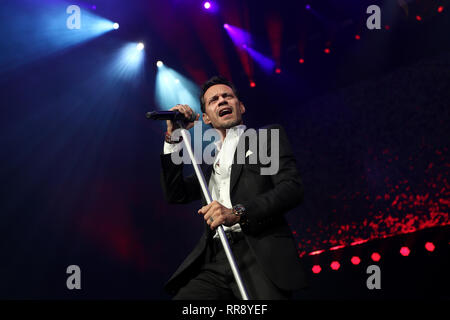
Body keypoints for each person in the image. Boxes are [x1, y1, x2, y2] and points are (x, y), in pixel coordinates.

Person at [160, 76, 306, 299]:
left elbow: (291, 189)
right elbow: (175, 193)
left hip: (258, 254)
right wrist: (173, 136)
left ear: (241, 106)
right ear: (206, 118)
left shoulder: (264, 138)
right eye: (214, 100)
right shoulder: (209, 165)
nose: (222, 101)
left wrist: (238, 212)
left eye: (227, 96)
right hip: (218, 259)